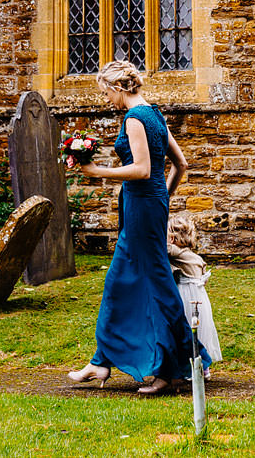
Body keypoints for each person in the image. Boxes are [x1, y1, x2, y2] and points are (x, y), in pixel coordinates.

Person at [66, 60, 194, 394]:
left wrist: (97, 172)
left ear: (119, 88)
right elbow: (181, 165)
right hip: (149, 206)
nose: (106, 99)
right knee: (128, 282)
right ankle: (101, 361)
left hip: (141, 208)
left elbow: (140, 169)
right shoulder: (155, 114)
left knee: (149, 283)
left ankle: (168, 370)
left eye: (106, 92)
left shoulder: (135, 118)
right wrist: (161, 198)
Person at [168, 213, 222, 369]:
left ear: (172, 238)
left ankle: (188, 366)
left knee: (185, 329)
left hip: (186, 294)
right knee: (200, 330)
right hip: (200, 297)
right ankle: (203, 367)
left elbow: (157, 248)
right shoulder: (194, 256)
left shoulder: (175, 251)